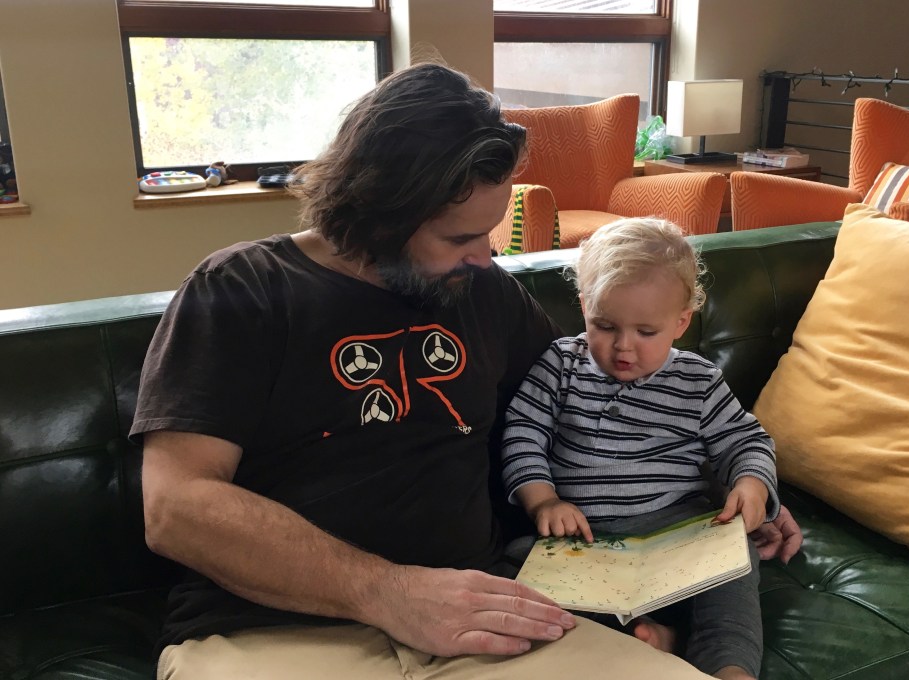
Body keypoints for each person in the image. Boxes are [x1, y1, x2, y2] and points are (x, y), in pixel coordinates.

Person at [133, 63, 800, 680]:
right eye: (460, 238)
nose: (485, 257)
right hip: (272, 633)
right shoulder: (241, 289)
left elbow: (595, 402)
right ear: (380, 212)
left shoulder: (484, 294)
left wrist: (733, 490)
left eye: (491, 231)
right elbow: (176, 507)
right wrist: (389, 592)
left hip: (489, 617)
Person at [501, 218, 786, 680]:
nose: (623, 347)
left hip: (677, 532)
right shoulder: (561, 363)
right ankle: (655, 639)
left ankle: (729, 666)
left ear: (681, 322)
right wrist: (543, 501)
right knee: (518, 568)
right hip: (583, 540)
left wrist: (752, 486)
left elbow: (746, 440)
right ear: (584, 306)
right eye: (605, 325)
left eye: (646, 332)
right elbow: (523, 430)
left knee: (736, 567)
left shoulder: (698, 381)